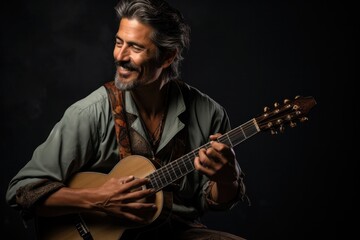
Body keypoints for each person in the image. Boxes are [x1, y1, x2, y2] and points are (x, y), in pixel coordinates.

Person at [6, 0, 249, 239]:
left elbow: (217, 201)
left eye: (135, 47)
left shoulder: (210, 114)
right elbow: (23, 192)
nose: (119, 56)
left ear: (168, 57)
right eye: (118, 42)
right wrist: (99, 200)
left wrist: (227, 179)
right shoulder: (90, 112)